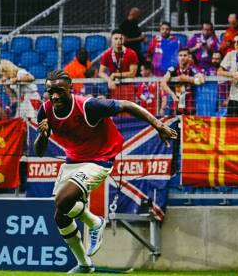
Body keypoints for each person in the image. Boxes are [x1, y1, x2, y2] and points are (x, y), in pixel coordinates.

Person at [34, 70, 177, 273]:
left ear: (70, 89)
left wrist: (158, 125)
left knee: (62, 200)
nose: (54, 96)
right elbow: (39, 152)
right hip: (73, 161)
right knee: (60, 216)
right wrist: (43, 136)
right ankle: (84, 264)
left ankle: (95, 222)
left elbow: (127, 105)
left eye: (59, 91)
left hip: (99, 159)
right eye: (50, 91)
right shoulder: (46, 110)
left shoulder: (88, 106)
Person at [161, 48, 204, 115]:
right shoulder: (173, 69)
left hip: (189, 105)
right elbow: (163, 83)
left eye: (184, 55)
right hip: (175, 104)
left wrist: (186, 79)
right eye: (180, 55)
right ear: (177, 57)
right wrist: (173, 95)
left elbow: (201, 80)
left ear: (188, 57)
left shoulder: (192, 69)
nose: (182, 58)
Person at [98, 31, 139, 99]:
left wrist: (115, 74)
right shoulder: (107, 54)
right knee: (115, 108)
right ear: (111, 39)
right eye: (116, 38)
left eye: (120, 38)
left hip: (128, 87)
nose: (118, 41)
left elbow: (132, 73)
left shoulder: (131, 53)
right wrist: (109, 80)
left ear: (124, 40)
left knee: (127, 108)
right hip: (114, 87)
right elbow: (101, 72)